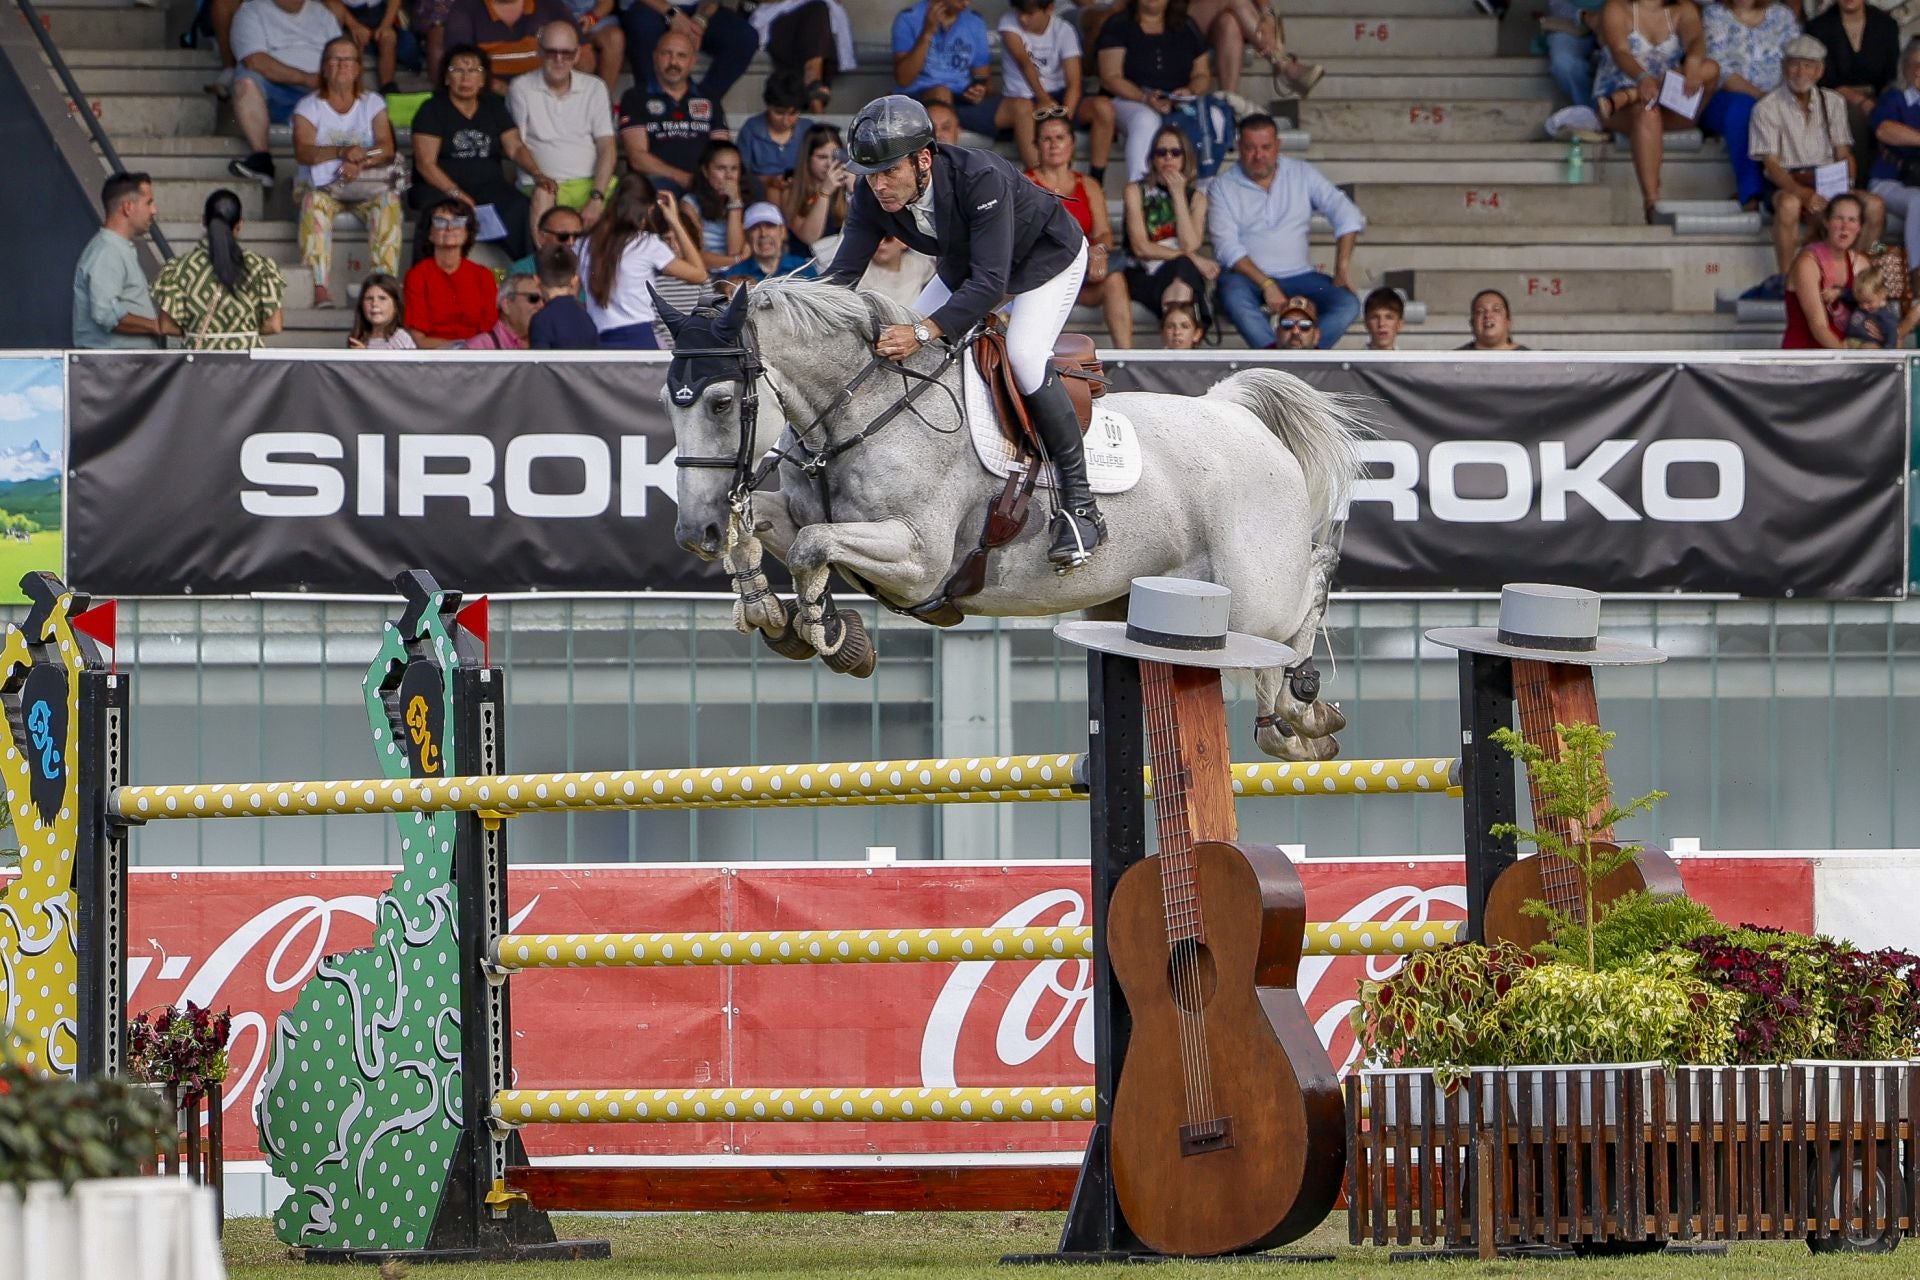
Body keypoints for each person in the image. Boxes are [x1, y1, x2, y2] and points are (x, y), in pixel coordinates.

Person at [826, 96, 1099, 568]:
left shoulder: (981, 176)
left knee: (1026, 356)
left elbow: (992, 284)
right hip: (969, 264)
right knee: (900, 349)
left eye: (890, 172)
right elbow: (840, 278)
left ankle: (1080, 506)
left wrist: (926, 332)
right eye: (870, 174)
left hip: (1045, 259)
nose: (879, 185)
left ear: (924, 159)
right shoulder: (871, 194)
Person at [1209, 113, 1365, 349]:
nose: (1259, 155)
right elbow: (1226, 248)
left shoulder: (1302, 173)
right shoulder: (1223, 186)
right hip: (1248, 280)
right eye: (1250, 148)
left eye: (1266, 147)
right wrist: (1267, 285)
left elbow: (1347, 213)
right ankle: (1276, 362)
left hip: (1302, 276)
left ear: (1278, 146)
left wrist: (1342, 267)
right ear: (1239, 147)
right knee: (1233, 295)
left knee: (1347, 303)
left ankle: (1303, 356)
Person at [1752, 36, 1885, 280]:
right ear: (1784, 67)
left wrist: (1847, 188)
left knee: (1874, 206)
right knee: (1789, 204)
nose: (1801, 71)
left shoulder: (1833, 102)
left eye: (1809, 65)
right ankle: (1786, 277)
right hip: (1789, 180)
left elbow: (1844, 153)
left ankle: (1856, 273)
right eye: (1795, 64)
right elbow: (1771, 164)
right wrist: (1803, 193)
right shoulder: (1767, 107)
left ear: (1820, 70)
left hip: (1827, 178)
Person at [411, 45, 550, 260]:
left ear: (483, 79)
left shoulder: (493, 106)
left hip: (488, 185)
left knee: (519, 207)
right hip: (439, 187)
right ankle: (424, 280)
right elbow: (425, 164)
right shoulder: (432, 109)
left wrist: (537, 173)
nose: (465, 78)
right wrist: (456, 194)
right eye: (457, 71)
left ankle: (529, 274)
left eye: (474, 71)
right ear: (447, 78)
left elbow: (515, 147)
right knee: (440, 214)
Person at [294, 36, 402, 308]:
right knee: (313, 204)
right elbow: (304, 151)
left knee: (389, 202)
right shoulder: (309, 106)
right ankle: (319, 287)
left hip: (366, 185)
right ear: (324, 67)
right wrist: (341, 153)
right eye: (335, 59)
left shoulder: (372, 102)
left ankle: (382, 287)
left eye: (349, 59)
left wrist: (361, 161)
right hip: (324, 189)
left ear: (358, 68)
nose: (342, 65)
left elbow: (386, 148)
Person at [1591, 0, 1718, 222]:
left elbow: (1696, 40)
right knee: (1647, 111)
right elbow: (1620, 51)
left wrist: (1693, 63)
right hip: (1623, 102)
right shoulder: (1616, 7)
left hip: (1670, 101)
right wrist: (1642, 79)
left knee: (1711, 68)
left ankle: (1633, 95)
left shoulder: (1683, 8)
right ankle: (1652, 202)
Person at [1027, 113, 1135, 346]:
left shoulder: (1088, 184)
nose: (1054, 144)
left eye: (1060, 137)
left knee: (1114, 280)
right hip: (1044, 276)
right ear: (1036, 145)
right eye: (1046, 139)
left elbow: (1104, 232)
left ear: (1072, 143)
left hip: (1082, 274)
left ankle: (1127, 360)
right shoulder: (1025, 183)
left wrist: (1099, 250)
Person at [577, 176, 708, 347]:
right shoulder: (647, 243)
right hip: (639, 337)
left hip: (599, 339)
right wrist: (674, 220)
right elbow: (699, 274)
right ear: (649, 209)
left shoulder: (584, 244)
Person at [507, 21, 617, 221]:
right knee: (543, 193)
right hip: (543, 185)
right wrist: (539, 175)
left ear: (576, 55)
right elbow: (516, 145)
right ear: (539, 52)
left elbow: (607, 146)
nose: (559, 60)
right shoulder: (520, 87)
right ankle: (544, 253)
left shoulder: (595, 87)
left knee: (635, 197)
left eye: (566, 53)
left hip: (590, 183)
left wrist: (596, 196)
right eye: (551, 52)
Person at [226, 0, 344, 187]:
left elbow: (342, 58)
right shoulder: (251, 10)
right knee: (245, 82)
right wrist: (306, 78)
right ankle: (262, 160)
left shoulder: (323, 14)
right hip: (274, 92)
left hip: (317, 93)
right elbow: (255, 60)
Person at [150, 189, 287, 349]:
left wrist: (205, 333)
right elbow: (274, 325)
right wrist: (238, 332)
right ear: (240, 224)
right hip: (248, 367)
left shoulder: (180, 268)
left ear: (203, 221)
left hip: (200, 365)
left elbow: (166, 326)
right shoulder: (260, 267)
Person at [1700, 0, 1802, 211]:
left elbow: (1796, 62)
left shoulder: (1782, 16)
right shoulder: (1714, 15)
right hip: (1724, 100)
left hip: (1778, 98)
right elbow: (1720, 70)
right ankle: (1752, 194)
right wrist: (1760, 97)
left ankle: (1788, 192)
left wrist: (1777, 98)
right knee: (1743, 108)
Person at [1097, 0, 1211, 182]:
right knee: (1146, 119)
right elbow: (1110, 77)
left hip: (1177, 100)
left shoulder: (1186, 25)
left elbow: (1202, 74)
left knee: (1213, 117)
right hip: (1129, 99)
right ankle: (1141, 191)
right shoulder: (1119, 24)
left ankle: (1201, 188)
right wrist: (1144, 97)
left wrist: (1190, 90)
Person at [1000, 0, 1114, 173]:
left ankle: (1096, 181)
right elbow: (1025, 63)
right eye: (1020, 12)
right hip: (1024, 97)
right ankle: (1040, 185)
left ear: (1050, 8)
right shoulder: (1008, 22)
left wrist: (1062, 122)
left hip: (1059, 97)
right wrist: (1044, 99)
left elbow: (1074, 82)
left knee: (1103, 108)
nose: (1023, 18)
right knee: (1023, 109)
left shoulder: (1064, 29)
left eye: (1030, 13)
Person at [1123, 125, 1215, 330]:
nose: (1168, 159)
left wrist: (1178, 195)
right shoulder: (1135, 190)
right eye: (1161, 152)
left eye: (1175, 153)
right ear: (1153, 158)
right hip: (1143, 272)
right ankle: (1183, 338)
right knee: (1186, 267)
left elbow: (1189, 243)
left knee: (1183, 271)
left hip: (1179, 272)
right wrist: (1191, 258)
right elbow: (1141, 248)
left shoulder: (1196, 198)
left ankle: (1175, 332)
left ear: (1185, 157)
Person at [618, 29, 730, 197]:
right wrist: (682, 178)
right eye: (667, 54)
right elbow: (637, 158)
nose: (673, 62)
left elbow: (723, 150)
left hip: (705, 181)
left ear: (693, 61)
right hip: (659, 180)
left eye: (682, 56)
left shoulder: (708, 97)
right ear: (655, 57)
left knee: (751, 187)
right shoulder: (635, 97)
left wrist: (709, 179)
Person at [73, 172, 175, 349]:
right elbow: (105, 314)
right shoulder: (108, 251)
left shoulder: (116, 248)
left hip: (123, 368)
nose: (154, 210)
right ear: (128, 207)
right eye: (149, 202)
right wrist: (157, 326)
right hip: (114, 369)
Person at [893, 0, 1010, 139]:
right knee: (941, 92)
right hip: (920, 101)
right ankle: (947, 156)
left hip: (962, 100)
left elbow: (984, 79)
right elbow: (904, 79)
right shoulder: (908, 18)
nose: (966, 3)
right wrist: (927, 32)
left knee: (1021, 107)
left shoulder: (974, 21)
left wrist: (980, 92)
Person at [1808, 0, 1899, 166]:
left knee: (1893, 113)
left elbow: (1891, 74)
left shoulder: (1886, 24)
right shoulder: (1819, 27)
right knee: (1854, 117)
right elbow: (1824, 79)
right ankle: (1857, 183)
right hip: (1836, 95)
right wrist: (1862, 101)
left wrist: (1883, 104)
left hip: (1879, 94)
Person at [617, 0, 757, 105]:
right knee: (640, 28)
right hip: (651, 7)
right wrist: (672, 13)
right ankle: (653, 103)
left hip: (699, 9)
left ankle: (700, 104)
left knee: (744, 37)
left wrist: (700, 20)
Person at [403, 196, 500, 345]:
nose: (449, 228)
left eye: (458, 221)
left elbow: (489, 334)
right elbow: (419, 340)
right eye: (440, 222)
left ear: (467, 232)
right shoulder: (417, 276)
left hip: (479, 359)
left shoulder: (483, 275)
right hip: (434, 359)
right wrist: (457, 348)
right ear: (429, 233)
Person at [1782, 189, 1872, 346]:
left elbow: (1873, 311)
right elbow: (1819, 327)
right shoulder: (1807, 263)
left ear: (1859, 227)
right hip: (1806, 356)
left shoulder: (1861, 263)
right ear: (1826, 221)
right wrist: (1848, 362)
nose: (1845, 226)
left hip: (1845, 355)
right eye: (1839, 218)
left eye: (1852, 220)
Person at [1184, 0, 1318, 98]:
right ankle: (1282, 63)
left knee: (1229, 23)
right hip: (1174, 14)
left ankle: (1228, 103)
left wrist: (1268, 15)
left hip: (1212, 14)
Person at [1870, 38, 1920, 295]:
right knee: (1919, 201)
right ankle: (1917, 276)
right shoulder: (1895, 97)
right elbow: (1885, 130)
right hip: (1891, 180)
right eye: (1915, 65)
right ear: (1904, 67)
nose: (1919, 72)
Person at [747, 0, 855, 111]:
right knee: (816, 13)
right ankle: (813, 86)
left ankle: (813, 82)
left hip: (811, 19)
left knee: (817, 10)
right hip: (773, 16)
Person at [441, 0, 573, 84]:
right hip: (489, 100)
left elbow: (583, 53)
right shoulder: (465, 7)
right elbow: (461, 65)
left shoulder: (551, 5)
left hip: (547, 93)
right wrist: (505, 91)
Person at [736, 72, 814, 201]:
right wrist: (769, 180)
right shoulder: (751, 129)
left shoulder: (808, 129)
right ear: (768, 105)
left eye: (793, 113)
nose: (785, 120)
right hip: (759, 195)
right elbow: (742, 172)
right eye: (779, 113)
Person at [781, 124, 854, 252]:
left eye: (835, 157)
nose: (829, 163)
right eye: (822, 157)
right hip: (805, 264)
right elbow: (810, 238)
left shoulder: (846, 187)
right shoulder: (790, 190)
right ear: (807, 159)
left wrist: (853, 191)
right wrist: (824, 193)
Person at [683, 140, 750, 269]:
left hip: (739, 273)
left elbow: (734, 249)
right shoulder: (690, 204)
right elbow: (694, 255)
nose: (729, 176)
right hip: (706, 274)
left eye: (734, 169)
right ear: (705, 171)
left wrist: (735, 201)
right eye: (721, 168)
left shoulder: (747, 201)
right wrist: (737, 259)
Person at [720, 202, 818, 283]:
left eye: (770, 226)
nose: (763, 233)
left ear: (782, 231)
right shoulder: (734, 275)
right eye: (755, 228)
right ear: (746, 236)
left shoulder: (804, 268)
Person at [528, 244, 600, 346]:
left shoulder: (542, 320)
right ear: (574, 280)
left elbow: (539, 361)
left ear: (536, 280)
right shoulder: (586, 318)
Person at [330, 0, 408, 93]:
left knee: (388, 38)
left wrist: (386, 25)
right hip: (348, 15)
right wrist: (354, 26)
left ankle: (387, 90)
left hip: (378, 13)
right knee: (354, 43)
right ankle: (354, 90)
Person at [852, 234, 937, 305]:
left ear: (903, 242)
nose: (881, 242)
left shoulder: (919, 265)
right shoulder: (858, 273)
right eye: (875, 238)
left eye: (888, 238)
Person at [557, 0, 624, 90]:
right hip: (560, 27)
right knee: (584, 61)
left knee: (615, 38)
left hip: (592, 21)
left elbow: (607, 3)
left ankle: (604, 98)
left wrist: (591, 19)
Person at [465, 271, 541, 346]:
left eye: (544, 300)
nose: (541, 305)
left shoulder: (548, 339)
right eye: (533, 298)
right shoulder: (480, 347)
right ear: (506, 305)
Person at [1841, 263, 1910, 345]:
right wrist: (1838, 292)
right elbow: (1849, 294)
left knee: (1867, 348)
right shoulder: (1863, 300)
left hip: (1870, 345)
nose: (1864, 306)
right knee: (1843, 344)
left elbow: (1892, 336)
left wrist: (1888, 353)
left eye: (1868, 302)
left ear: (1882, 294)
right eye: (1860, 302)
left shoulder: (1885, 315)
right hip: (1853, 341)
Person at [510, 203, 586, 276]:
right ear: (542, 237)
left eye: (577, 236)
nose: (571, 242)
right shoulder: (520, 271)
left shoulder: (584, 269)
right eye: (563, 236)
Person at [347, 271, 415, 346]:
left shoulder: (401, 339)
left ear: (396, 305)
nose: (374, 304)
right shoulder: (358, 339)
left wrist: (365, 355)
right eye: (369, 298)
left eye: (382, 298)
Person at [1459, 289, 1530, 350]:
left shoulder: (1532, 359)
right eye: (1480, 311)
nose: (1487, 315)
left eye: (1496, 310)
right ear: (1472, 323)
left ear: (1508, 321)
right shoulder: (1453, 360)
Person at [1362, 286, 1404, 350]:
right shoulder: (1351, 359)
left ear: (1399, 324)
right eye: (1375, 317)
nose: (1381, 323)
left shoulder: (1408, 359)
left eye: (1389, 317)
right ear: (1366, 323)